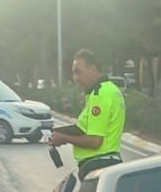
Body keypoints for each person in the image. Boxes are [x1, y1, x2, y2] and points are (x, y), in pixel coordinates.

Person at [48, 49, 126, 180]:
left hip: (98, 166)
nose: (75, 78)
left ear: (92, 68)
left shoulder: (99, 94)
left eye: (78, 72)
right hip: (107, 163)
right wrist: (68, 132)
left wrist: (64, 138)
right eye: (73, 74)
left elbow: (95, 141)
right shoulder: (111, 90)